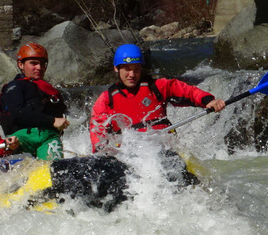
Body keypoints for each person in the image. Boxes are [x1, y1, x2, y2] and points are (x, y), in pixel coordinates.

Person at [89, 43, 226, 154]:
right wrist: (100, 151)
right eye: (126, 69)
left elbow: (189, 92)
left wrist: (209, 101)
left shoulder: (157, 87)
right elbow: (98, 129)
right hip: (129, 154)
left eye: (136, 69)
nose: (132, 74)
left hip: (163, 149)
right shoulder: (107, 99)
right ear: (116, 68)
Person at [0, 42, 70, 160]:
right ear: (21, 64)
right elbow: (18, 113)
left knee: (54, 169)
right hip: (21, 138)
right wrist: (52, 120)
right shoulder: (14, 86)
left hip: (49, 137)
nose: (39, 67)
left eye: (42, 64)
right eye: (33, 63)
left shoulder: (50, 91)